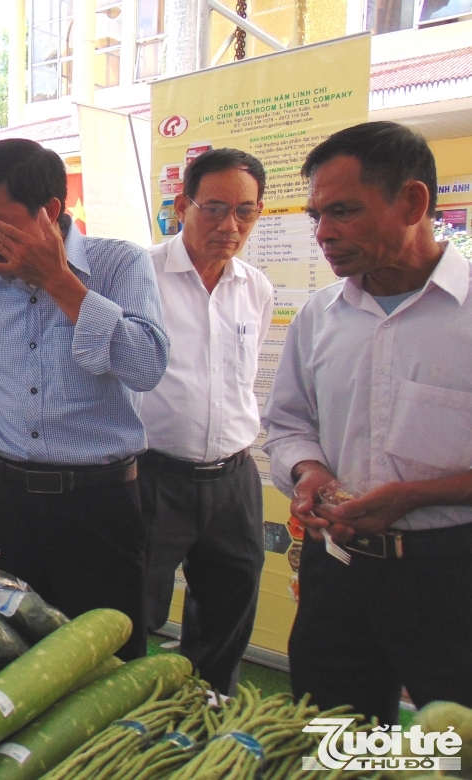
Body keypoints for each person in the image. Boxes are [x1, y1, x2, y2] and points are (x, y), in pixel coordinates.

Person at [262, 121, 472, 723]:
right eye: (316, 216)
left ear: (412, 202)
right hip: (340, 571)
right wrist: (308, 472)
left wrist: (411, 496)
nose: (324, 234)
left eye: (344, 212)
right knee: (332, 730)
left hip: (452, 573)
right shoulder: (320, 317)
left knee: (454, 742)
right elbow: (289, 422)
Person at [0, 138, 169, 660]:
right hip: (6, 498)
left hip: (97, 504)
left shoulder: (120, 265)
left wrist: (57, 280)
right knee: (12, 651)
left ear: (50, 211)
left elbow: (146, 368)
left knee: (105, 658)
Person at [138, 148, 273, 694]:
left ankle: (210, 709)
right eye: (214, 208)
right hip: (152, 476)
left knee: (228, 608)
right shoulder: (141, 276)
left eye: (246, 211)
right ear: (182, 205)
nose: (230, 225)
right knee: (132, 610)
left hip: (234, 480)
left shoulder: (255, 288)